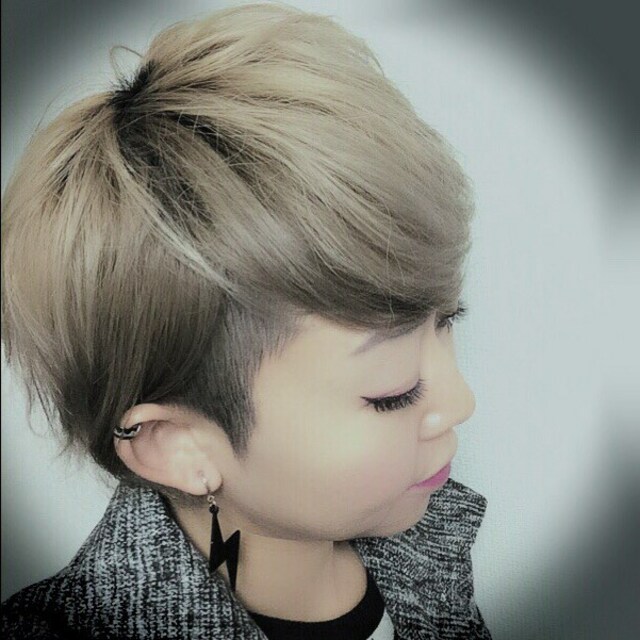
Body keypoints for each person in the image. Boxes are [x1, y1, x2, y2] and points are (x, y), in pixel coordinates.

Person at [1, 3, 491, 638]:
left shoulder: (426, 551)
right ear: (178, 447)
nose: (460, 402)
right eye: (393, 392)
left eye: (448, 320)